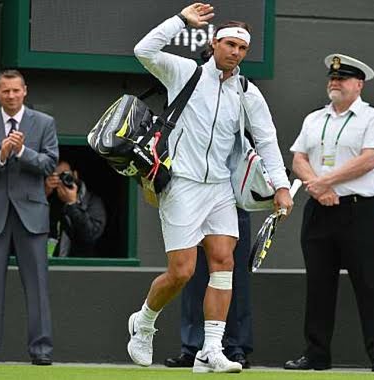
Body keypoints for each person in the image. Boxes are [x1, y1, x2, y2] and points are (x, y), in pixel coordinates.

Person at [128, 3, 293, 374]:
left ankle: (211, 350)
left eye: (242, 48)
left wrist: (281, 187)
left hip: (220, 188)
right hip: (182, 185)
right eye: (230, 44)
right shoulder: (183, 72)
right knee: (182, 272)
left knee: (223, 264)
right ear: (214, 43)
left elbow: (266, 140)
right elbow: (143, 50)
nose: (235, 52)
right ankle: (144, 323)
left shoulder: (247, 91)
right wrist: (180, 21)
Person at [287, 54, 374, 372]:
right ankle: (316, 353)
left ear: (358, 84)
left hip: (360, 211)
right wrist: (317, 186)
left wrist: (324, 182)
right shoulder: (314, 118)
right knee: (319, 285)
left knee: (371, 284)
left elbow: (369, 159)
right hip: (321, 209)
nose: (335, 82)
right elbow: (298, 159)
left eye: (343, 78)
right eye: (332, 78)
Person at [0, 69, 58, 365]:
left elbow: (50, 162)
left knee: (38, 286)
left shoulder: (44, 123)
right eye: (6, 91)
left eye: (16, 90)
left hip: (32, 215)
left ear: (25, 91)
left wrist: (21, 152)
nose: (12, 95)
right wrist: (1, 156)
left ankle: (41, 352)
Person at [164, 209, 252, 369]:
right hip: (196, 201)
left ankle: (235, 348)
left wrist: (280, 187)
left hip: (234, 201)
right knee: (194, 274)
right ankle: (193, 348)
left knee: (231, 275)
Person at [45, 160, 107, 257]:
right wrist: (43, 194)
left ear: (75, 175)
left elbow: (90, 235)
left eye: (65, 175)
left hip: (80, 266)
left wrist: (72, 204)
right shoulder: (51, 200)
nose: (62, 180)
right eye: (57, 177)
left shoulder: (92, 201)